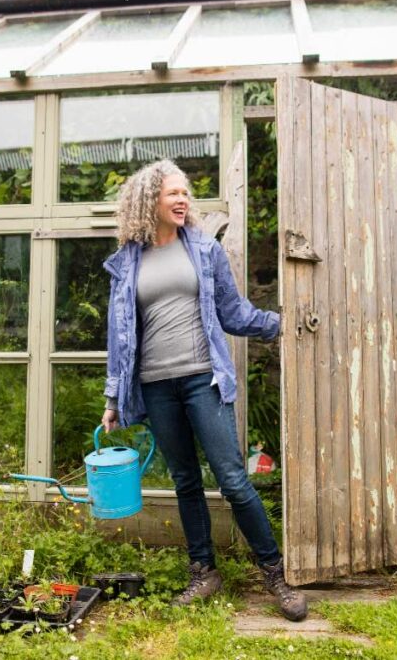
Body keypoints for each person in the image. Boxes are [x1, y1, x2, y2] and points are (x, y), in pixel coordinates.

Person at [100, 159, 307, 622]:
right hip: (155, 386)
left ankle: (275, 575)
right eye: (172, 193)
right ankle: (204, 571)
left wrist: (279, 323)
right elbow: (119, 335)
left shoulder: (204, 250)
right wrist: (113, 399)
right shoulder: (127, 261)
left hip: (201, 379)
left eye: (185, 194)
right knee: (185, 482)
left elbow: (233, 313)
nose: (182, 200)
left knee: (233, 479)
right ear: (148, 200)